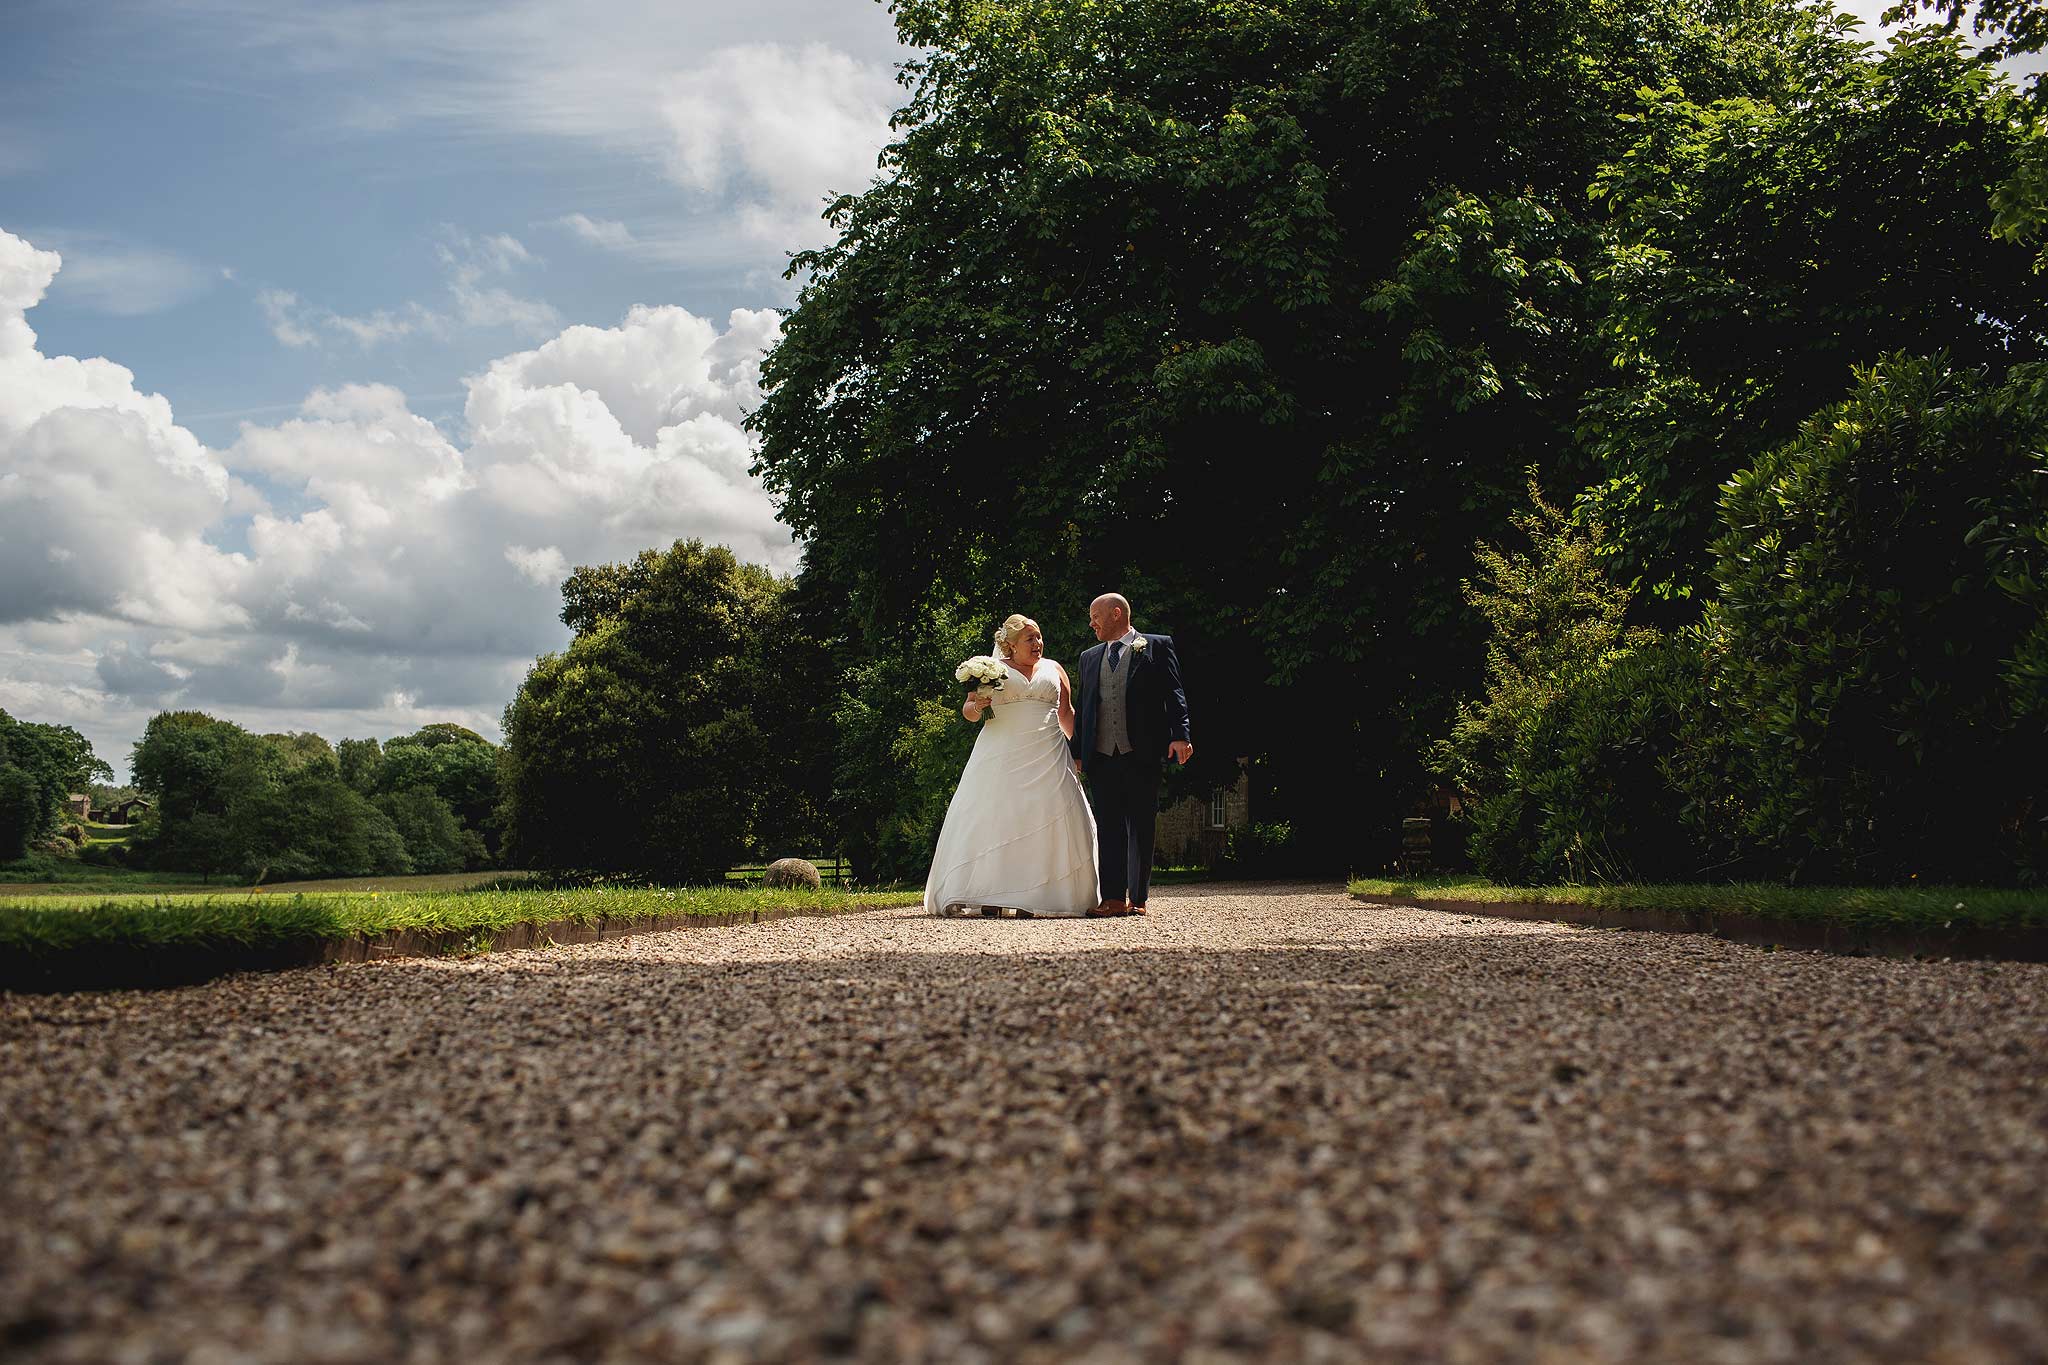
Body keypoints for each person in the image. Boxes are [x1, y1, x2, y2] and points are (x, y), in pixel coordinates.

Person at [924, 614, 1101, 917]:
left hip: (1049, 754)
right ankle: (991, 893)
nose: (1038, 643)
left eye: (1039, 636)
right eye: (1030, 639)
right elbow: (968, 711)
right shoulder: (993, 671)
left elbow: (1066, 713)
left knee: (1046, 819)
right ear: (1011, 645)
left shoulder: (1054, 669)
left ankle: (1035, 895)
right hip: (1002, 754)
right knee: (999, 818)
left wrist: (1082, 753)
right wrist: (978, 705)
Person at [1071, 593, 1192, 916]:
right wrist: (1078, 753)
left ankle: (1137, 899)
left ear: (1116, 613)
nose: (1091, 623)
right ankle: (1111, 898)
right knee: (1109, 825)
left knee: (1142, 824)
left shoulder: (1156, 646)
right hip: (1101, 755)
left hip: (1143, 751)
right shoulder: (1089, 657)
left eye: (1095, 616)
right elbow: (1084, 708)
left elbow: (1174, 693)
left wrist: (1181, 735)